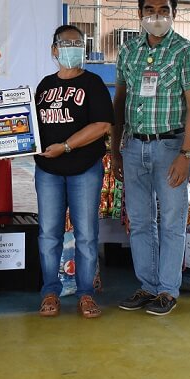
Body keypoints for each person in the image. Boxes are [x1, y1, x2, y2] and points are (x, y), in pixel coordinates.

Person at [111, 0, 190, 316]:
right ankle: (147, 286)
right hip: (134, 147)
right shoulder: (129, 51)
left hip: (170, 147)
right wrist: (115, 150)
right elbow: (119, 102)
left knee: (172, 222)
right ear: (140, 14)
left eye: (164, 10)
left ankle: (167, 289)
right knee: (139, 221)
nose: (157, 16)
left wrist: (186, 154)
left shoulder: (185, 51)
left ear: (174, 14)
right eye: (150, 10)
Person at [35, 25, 114, 318]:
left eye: (77, 43)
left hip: (83, 170)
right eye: (65, 43)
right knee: (48, 234)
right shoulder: (44, 85)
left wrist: (66, 146)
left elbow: (102, 126)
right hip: (47, 171)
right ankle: (50, 292)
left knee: (86, 235)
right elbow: (29, 125)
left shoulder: (93, 83)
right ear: (54, 50)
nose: (72, 47)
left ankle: (86, 294)